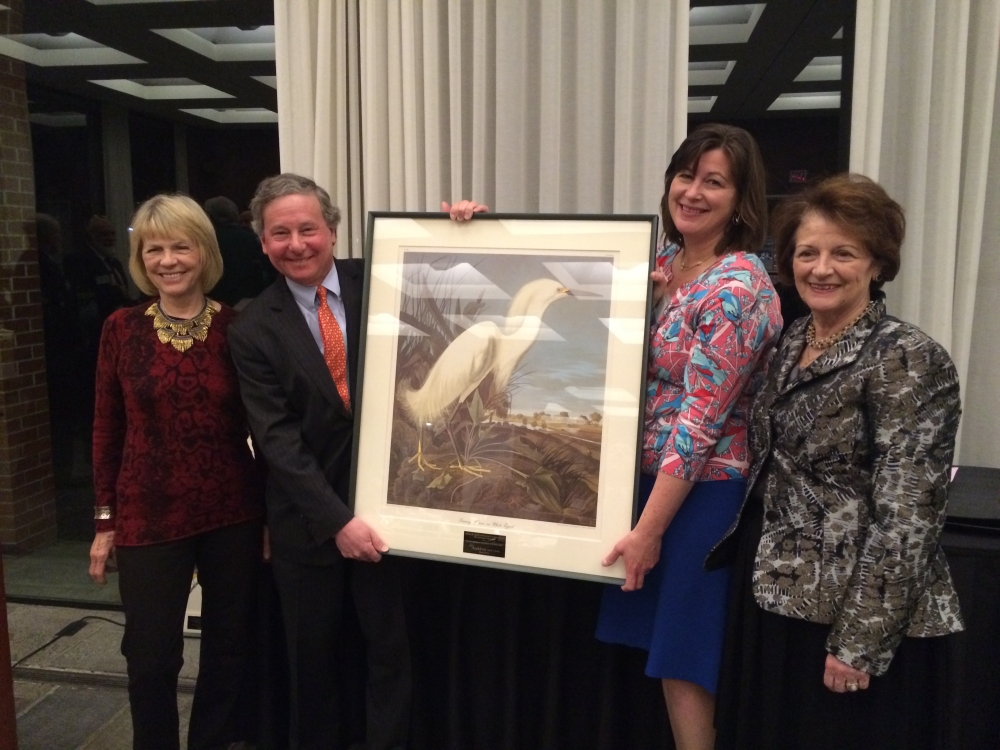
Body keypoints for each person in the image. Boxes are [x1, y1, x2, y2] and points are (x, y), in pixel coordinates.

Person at [710, 174, 964, 750]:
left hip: (851, 617)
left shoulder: (907, 356)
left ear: (877, 264)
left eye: (843, 253)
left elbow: (908, 517)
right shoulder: (794, 337)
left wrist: (859, 643)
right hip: (776, 596)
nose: (821, 268)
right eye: (807, 253)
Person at [594, 124, 782, 750]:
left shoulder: (738, 287)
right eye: (686, 175)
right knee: (653, 654)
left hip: (701, 495)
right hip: (646, 483)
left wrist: (648, 531)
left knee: (683, 658)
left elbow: (700, 422)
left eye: (714, 181)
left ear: (741, 198)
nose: (693, 192)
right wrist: (472, 227)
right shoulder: (665, 266)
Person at [227, 173, 412, 750]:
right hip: (307, 528)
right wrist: (338, 521)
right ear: (262, 243)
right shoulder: (253, 325)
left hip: (390, 516)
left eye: (308, 228)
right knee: (314, 668)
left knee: (391, 659)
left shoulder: (381, 279)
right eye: (279, 233)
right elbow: (277, 441)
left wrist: (465, 224)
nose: (296, 243)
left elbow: (454, 280)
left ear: (332, 230)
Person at [88, 194, 265, 750]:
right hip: (148, 512)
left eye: (181, 246)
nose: (168, 260)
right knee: (149, 656)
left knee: (228, 645)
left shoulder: (237, 328)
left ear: (203, 251)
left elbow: (261, 433)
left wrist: (267, 518)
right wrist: (103, 519)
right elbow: (106, 428)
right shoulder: (121, 328)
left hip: (231, 509)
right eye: (154, 248)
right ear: (141, 257)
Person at [204, 195, 275, 307]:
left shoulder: (209, 243)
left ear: (210, 216)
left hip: (220, 302)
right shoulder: (252, 239)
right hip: (252, 300)